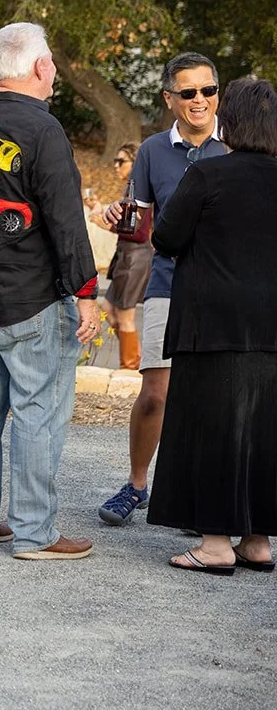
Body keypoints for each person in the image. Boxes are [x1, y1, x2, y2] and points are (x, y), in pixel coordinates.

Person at [0, 22, 100, 561]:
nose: (54, 69)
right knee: (38, 412)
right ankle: (36, 533)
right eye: (52, 61)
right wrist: (86, 290)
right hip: (32, 297)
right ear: (39, 68)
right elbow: (66, 220)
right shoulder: (42, 129)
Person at [147, 76, 277, 574]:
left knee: (213, 429)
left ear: (232, 122)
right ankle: (259, 540)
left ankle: (217, 544)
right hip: (271, 327)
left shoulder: (208, 176)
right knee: (265, 431)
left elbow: (167, 237)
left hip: (212, 322)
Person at [94, 52, 226, 527]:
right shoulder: (151, 150)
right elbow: (136, 215)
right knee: (155, 394)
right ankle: (135, 485)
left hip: (222, 291)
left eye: (208, 90)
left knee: (213, 399)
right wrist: (117, 212)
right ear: (170, 98)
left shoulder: (238, 147)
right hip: (168, 285)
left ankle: (200, 497)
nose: (200, 101)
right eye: (188, 92)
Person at [94, 142, 149, 370]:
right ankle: (135, 360)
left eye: (121, 161)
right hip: (125, 256)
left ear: (134, 163)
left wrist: (107, 227)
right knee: (108, 310)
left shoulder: (141, 189)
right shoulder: (130, 188)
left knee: (125, 317)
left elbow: (139, 232)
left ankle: (131, 367)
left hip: (134, 257)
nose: (116, 166)